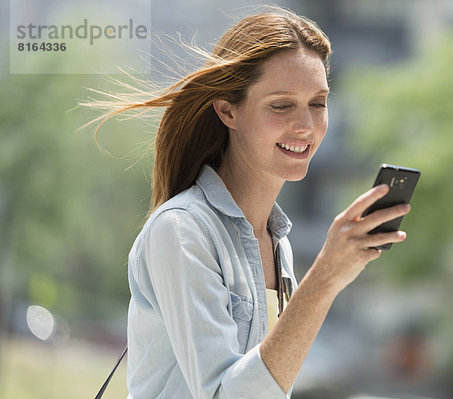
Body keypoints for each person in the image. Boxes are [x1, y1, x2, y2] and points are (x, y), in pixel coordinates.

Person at [82, 6, 410, 399]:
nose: (306, 125)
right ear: (227, 110)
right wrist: (324, 279)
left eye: (318, 103)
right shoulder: (182, 230)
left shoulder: (277, 243)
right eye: (281, 105)